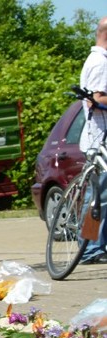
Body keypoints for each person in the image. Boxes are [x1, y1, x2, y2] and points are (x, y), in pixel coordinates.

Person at [80, 16, 107, 265]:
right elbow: (96, 98)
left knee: (99, 195)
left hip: (98, 137)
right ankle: (90, 249)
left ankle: (94, 247)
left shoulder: (97, 60)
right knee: (99, 196)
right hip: (99, 138)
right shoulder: (100, 63)